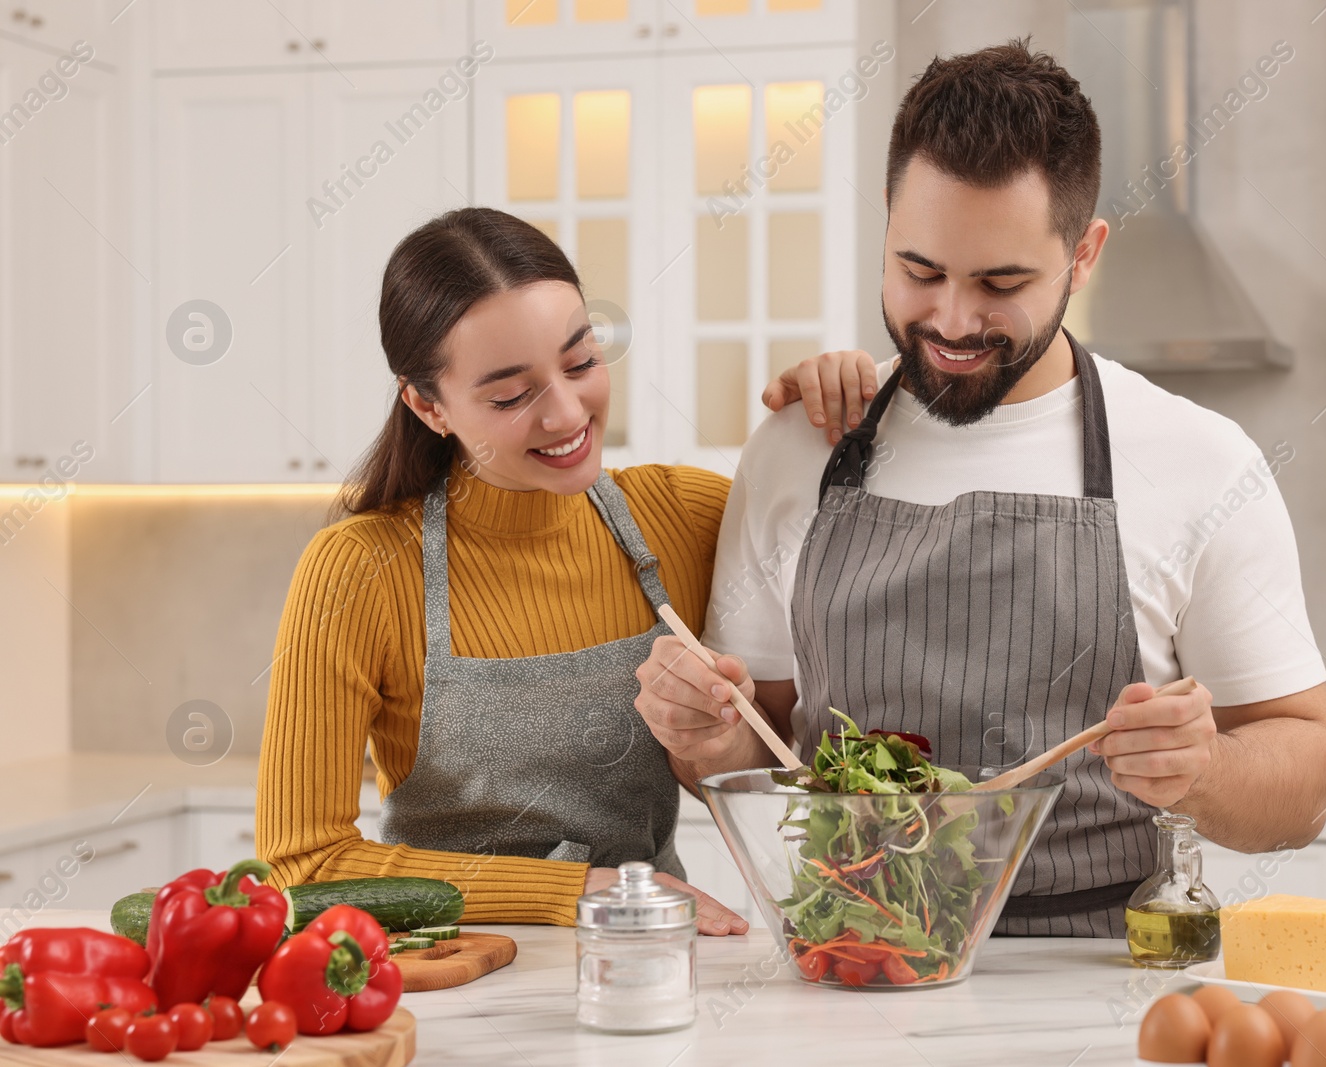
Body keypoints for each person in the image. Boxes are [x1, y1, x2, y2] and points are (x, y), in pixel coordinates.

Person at [634, 41, 1326, 937]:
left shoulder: (1202, 459)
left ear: (1084, 256)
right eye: (919, 271)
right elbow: (752, 745)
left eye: (1001, 283)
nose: (953, 321)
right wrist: (706, 741)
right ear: (887, 220)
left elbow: (1306, 783)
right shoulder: (795, 448)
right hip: (850, 964)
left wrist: (1202, 771)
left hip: (1094, 987)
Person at [257, 207, 876, 934]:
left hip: (650, 959)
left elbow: (785, 776)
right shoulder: (359, 572)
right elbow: (305, 864)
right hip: (451, 979)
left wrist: (843, 418)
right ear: (428, 404)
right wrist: (578, 890)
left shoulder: (689, 518)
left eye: (581, 361)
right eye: (512, 395)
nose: (566, 412)